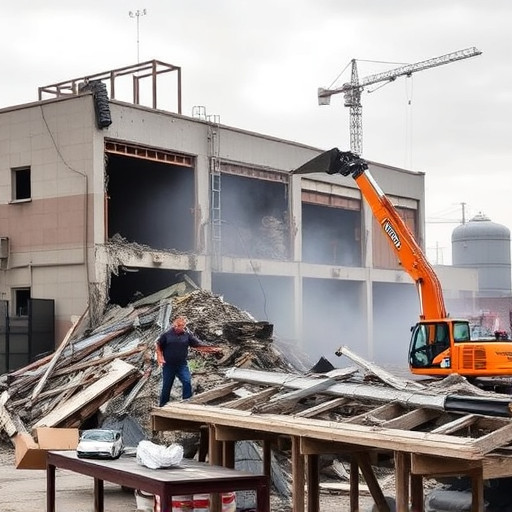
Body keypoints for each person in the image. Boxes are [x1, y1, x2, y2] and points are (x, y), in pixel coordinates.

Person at [156, 316, 221, 406]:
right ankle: (162, 406)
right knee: (167, 386)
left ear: (184, 325)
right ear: (174, 324)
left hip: (181, 364)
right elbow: (158, 345)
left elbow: (198, 345)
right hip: (168, 365)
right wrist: (159, 356)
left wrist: (211, 349)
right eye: (176, 325)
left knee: (187, 381)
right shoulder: (166, 334)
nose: (177, 327)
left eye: (180, 325)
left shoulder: (187, 335)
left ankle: (187, 403)